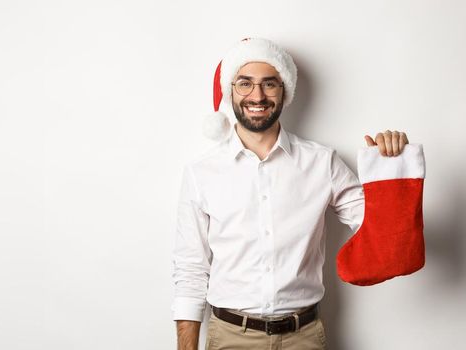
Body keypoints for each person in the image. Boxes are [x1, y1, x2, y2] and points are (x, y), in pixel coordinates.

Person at [171, 38, 413, 350]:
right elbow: (190, 270)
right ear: (230, 90)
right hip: (230, 338)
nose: (257, 95)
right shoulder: (201, 173)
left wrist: (392, 171)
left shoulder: (322, 162)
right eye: (245, 83)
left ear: (284, 90)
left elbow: (383, 236)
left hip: (304, 338)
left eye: (269, 84)